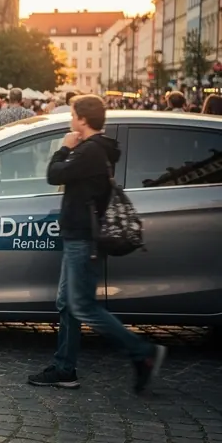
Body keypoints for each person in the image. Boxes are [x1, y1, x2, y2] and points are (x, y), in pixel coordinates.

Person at [28, 94, 165, 392]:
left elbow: (54, 174)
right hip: (78, 237)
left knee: (83, 307)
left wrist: (64, 148)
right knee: (67, 304)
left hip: (83, 241)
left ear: (83, 119)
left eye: (73, 114)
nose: (70, 120)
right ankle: (65, 368)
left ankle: (143, 352)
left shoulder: (90, 151)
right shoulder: (95, 150)